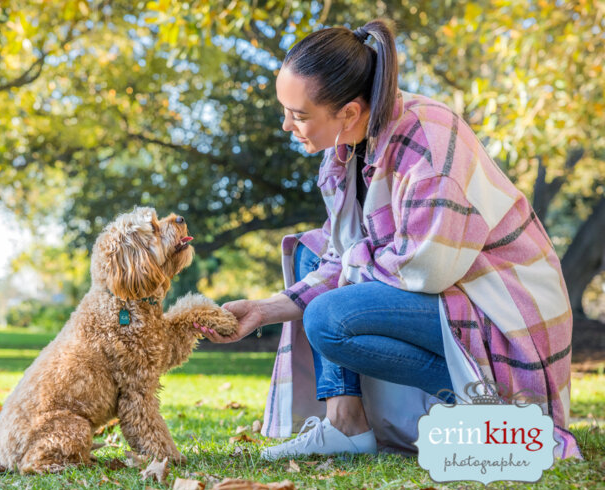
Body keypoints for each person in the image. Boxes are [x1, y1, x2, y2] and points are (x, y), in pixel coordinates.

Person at [198, 19, 580, 461]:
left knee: (327, 317)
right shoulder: (345, 151)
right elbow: (340, 253)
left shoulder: (428, 142)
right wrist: (263, 311)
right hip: (443, 296)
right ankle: (345, 425)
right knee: (309, 252)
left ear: (349, 113)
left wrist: (348, 264)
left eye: (299, 115)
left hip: (497, 305)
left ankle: (497, 409)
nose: (286, 125)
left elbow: (426, 269)